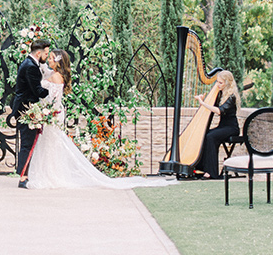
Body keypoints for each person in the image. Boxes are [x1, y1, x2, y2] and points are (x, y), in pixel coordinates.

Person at [25, 49, 174, 190]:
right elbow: (43, 72)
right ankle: (52, 173)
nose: (49, 60)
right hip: (55, 113)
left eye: (51, 58)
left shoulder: (55, 76)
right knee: (52, 144)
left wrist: (44, 111)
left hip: (53, 113)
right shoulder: (56, 74)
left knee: (52, 144)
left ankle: (51, 175)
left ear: (57, 62)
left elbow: (49, 95)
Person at [13, 38, 51, 188]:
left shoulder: (31, 64)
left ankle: (25, 175)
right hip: (26, 109)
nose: (47, 56)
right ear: (39, 52)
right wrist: (53, 89)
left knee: (28, 144)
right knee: (27, 144)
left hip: (27, 108)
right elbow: (38, 91)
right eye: (46, 53)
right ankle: (23, 178)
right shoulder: (30, 67)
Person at [192, 69, 241, 179]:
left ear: (227, 83)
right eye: (217, 82)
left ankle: (211, 172)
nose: (217, 84)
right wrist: (203, 98)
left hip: (231, 128)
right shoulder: (220, 94)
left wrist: (203, 104)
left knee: (211, 137)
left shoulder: (231, 97)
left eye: (220, 82)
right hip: (222, 127)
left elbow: (220, 110)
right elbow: (213, 105)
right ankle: (200, 168)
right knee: (204, 135)